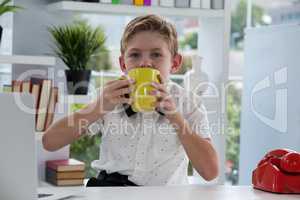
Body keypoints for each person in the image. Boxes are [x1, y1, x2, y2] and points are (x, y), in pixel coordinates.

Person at [43, 14, 218, 186]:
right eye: (135, 55)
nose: (145, 63)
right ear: (123, 64)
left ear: (175, 62)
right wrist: (98, 107)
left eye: (156, 54)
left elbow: (210, 172)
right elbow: (50, 141)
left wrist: (176, 118)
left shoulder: (188, 103)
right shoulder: (108, 97)